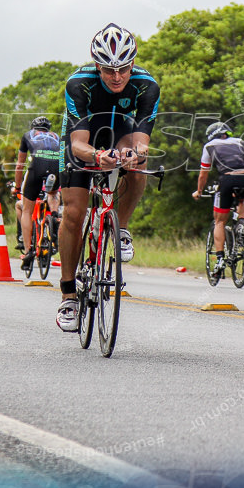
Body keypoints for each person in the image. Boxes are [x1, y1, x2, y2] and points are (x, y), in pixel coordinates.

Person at [55, 23, 160, 331]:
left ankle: (121, 228)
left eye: (123, 69)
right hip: (83, 137)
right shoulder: (79, 84)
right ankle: (68, 295)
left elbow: (141, 141)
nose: (116, 77)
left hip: (122, 132)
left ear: (132, 64)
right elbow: (78, 143)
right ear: (96, 65)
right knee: (73, 213)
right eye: (108, 70)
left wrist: (133, 155)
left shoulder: (147, 86)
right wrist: (98, 157)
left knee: (137, 164)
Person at [191, 121, 244, 274]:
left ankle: (219, 259)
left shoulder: (209, 146)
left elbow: (204, 173)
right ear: (227, 132)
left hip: (227, 179)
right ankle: (241, 226)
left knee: (219, 221)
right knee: (241, 200)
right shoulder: (240, 141)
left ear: (212, 136)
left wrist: (198, 191)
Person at [13, 116, 61, 271]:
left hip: (36, 168)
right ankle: (54, 216)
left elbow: (20, 165)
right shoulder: (56, 137)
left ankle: (28, 252)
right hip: (56, 168)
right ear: (49, 128)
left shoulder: (28, 135)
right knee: (53, 193)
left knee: (27, 210)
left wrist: (17, 187)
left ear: (33, 127)